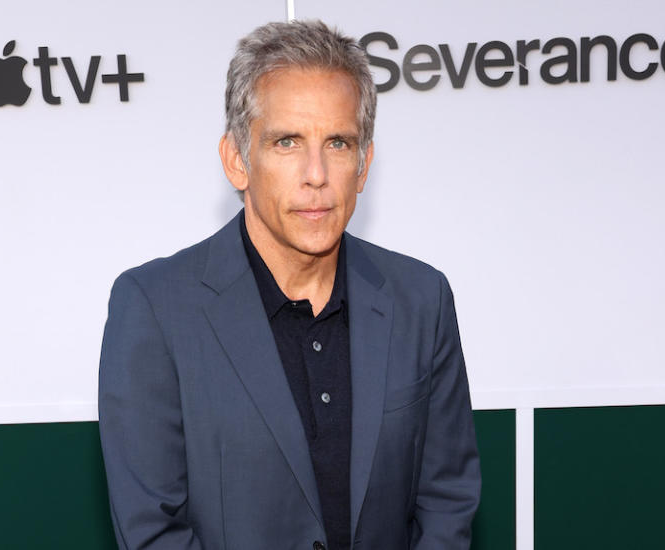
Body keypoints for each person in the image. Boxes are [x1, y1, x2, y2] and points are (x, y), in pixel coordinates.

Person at [98, 19, 480, 550]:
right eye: (287, 142)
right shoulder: (155, 309)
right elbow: (152, 531)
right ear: (237, 160)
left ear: (364, 164)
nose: (317, 174)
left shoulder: (422, 299)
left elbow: (447, 503)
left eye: (339, 143)